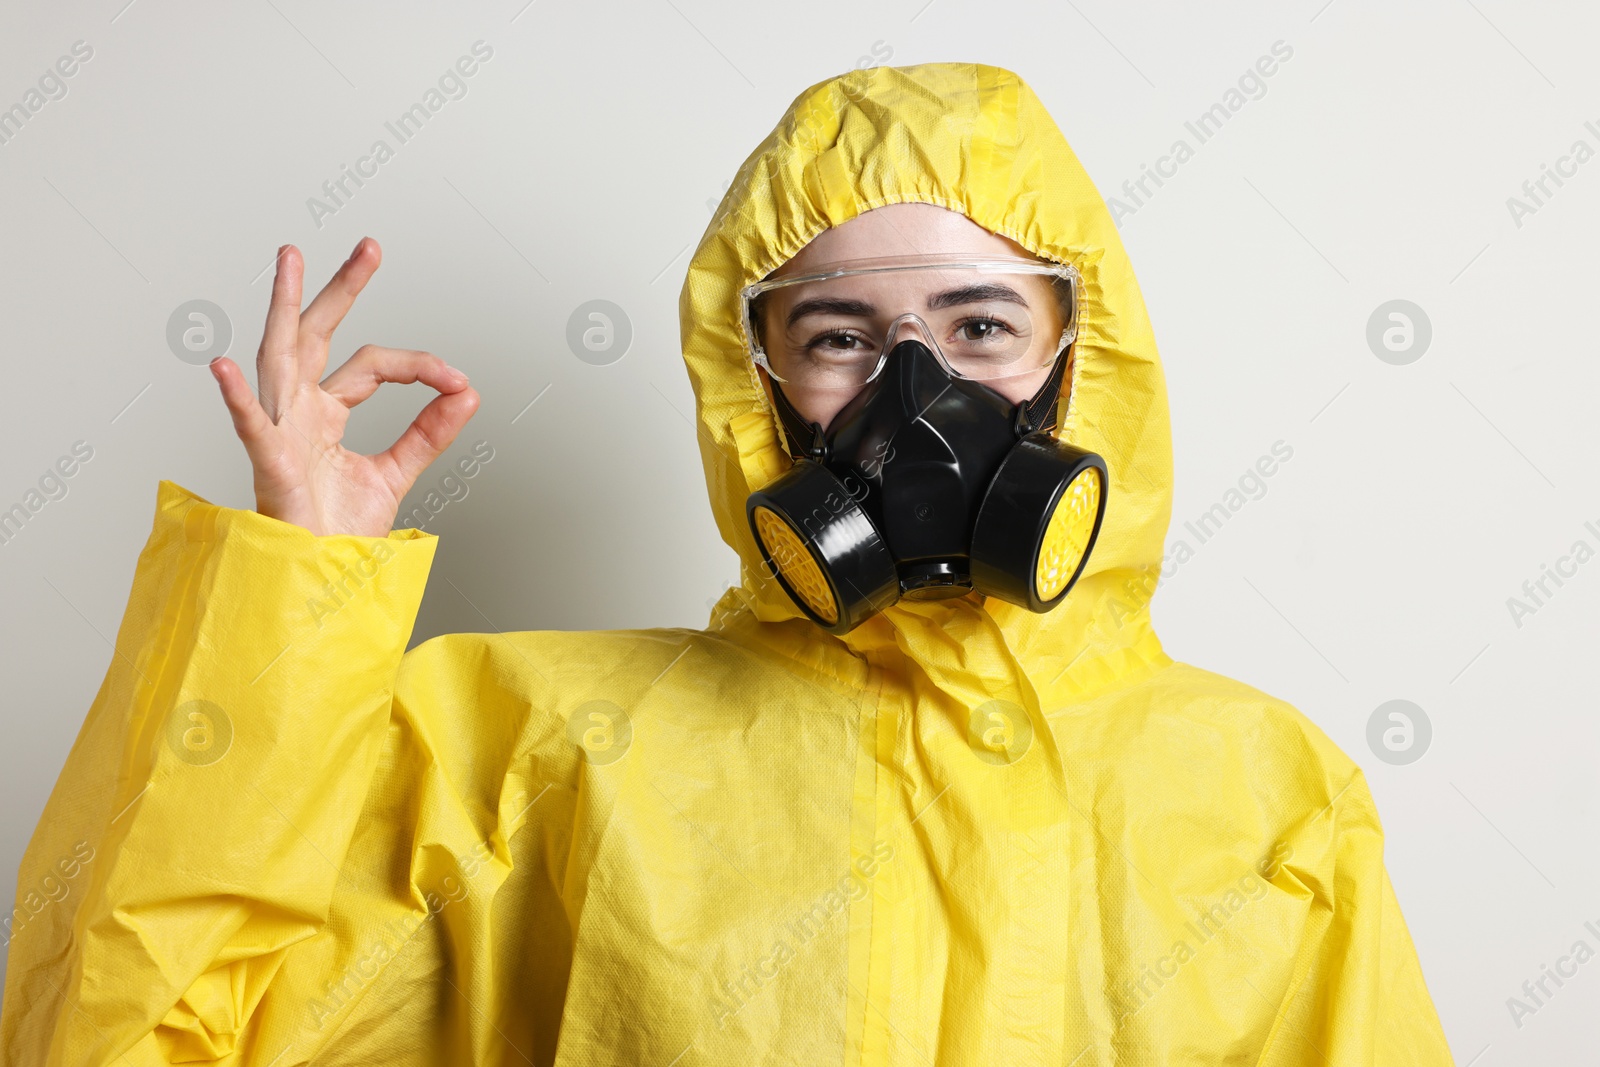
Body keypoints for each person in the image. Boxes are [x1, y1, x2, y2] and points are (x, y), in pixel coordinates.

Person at [0, 62, 1453, 1065]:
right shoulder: (536, 746)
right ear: (752, 385)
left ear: (1084, 365)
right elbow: (123, 1039)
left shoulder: (1268, 791)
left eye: (982, 328)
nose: (913, 392)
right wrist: (292, 594)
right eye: (837, 336)